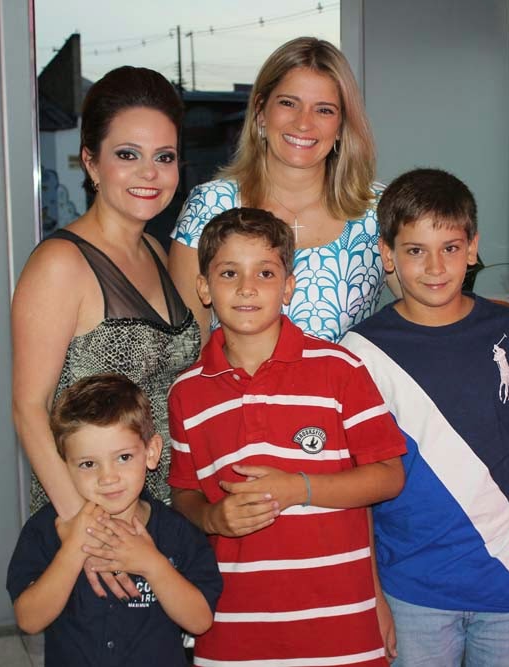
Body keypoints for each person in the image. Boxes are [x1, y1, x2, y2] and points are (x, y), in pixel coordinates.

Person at [168, 37, 509, 415]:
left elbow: (441, 307)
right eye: (288, 103)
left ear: (342, 125)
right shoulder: (209, 206)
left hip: (346, 425)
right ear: (260, 111)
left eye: (324, 110)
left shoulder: (377, 210)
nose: (304, 123)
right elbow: (187, 349)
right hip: (236, 425)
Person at [167, 208, 407, 666]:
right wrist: (213, 517)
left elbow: (389, 476)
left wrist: (299, 488)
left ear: (289, 286)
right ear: (204, 287)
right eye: (229, 273)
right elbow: (183, 493)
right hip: (233, 631)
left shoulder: (339, 370)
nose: (247, 287)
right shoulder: (187, 392)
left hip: (341, 625)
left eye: (265, 272)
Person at [341, 169, 509, 666]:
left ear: (473, 248)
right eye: (416, 250)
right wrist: (370, 591)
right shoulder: (360, 353)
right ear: (388, 255)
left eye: (451, 247)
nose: (435, 266)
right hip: (410, 589)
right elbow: (357, 486)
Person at [11, 66, 201, 600]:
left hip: (159, 517)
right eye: (127, 154)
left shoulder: (157, 253)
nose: (150, 173)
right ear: (91, 162)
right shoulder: (60, 264)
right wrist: (83, 530)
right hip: (92, 521)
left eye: (165, 157)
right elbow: (28, 408)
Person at [6, 374, 222, 666]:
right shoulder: (47, 530)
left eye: (123, 457)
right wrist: (72, 549)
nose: (107, 477)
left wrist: (153, 565)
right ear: (65, 467)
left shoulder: (178, 532)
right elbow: (29, 620)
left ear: (151, 452)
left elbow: (199, 621)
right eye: (88, 464)